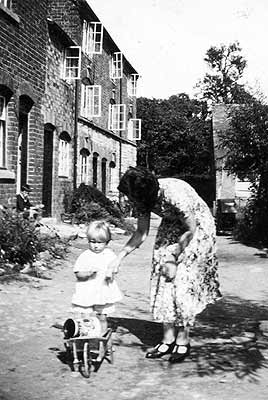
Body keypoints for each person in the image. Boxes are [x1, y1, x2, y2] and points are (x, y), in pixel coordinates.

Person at [106, 166, 221, 363]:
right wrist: (119, 258)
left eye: (132, 198)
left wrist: (174, 257)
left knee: (183, 282)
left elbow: (190, 229)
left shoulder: (174, 194)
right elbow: (141, 233)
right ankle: (167, 339)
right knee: (163, 278)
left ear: (144, 193)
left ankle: (183, 340)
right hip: (172, 224)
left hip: (197, 229)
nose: (130, 202)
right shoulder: (142, 199)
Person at [71, 220, 123, 334]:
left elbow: (115, 268)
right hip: (87, 290)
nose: (95, 245)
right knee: (85, 317)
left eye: (100, 242)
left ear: (107, 242)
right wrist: (86, 274)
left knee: (102, 316)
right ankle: (85, 337)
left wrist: (111, 273)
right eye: (92, 241)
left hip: (102, 290)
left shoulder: (109, 255)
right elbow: (77, 273)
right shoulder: (85, 256)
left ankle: (102, 337)